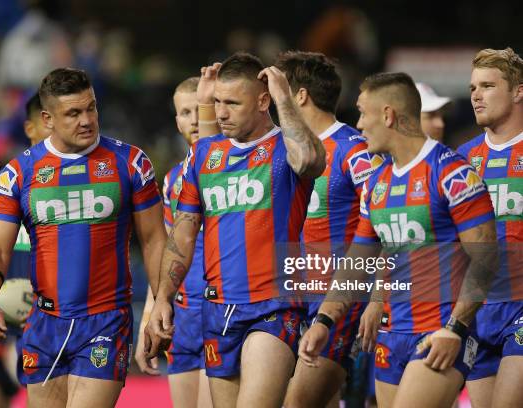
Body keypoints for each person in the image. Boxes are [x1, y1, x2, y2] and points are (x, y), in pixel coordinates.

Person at [299, 72, 497, 408]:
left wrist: (455, 328)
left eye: (363, 113)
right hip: (391, 336)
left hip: (439, 332)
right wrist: (324, 321)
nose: (359, 124)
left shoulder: (453, 173)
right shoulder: (377, 182)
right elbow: (357, 261)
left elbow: (487, 257)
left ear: (388, 115)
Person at [0, 68, 166, 408]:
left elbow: (153, 240)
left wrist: (160, 302)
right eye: (73, 113)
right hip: (43, 322)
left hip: (106, 320)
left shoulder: (130, 162)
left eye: (91, 108)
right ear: (48, 119)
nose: (87, 120)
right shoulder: (20, 173)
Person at [145, 52, 326, 408]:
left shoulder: (285, 150)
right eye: (217, 103)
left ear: (262, 101)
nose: (220, 113)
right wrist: (163, 298)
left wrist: (285, 98)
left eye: (232, 103)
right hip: (217, 309)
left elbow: (310, 160)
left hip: (272, 307)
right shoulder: (204, 155)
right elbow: (183, 233)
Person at [274, 50, 383, 408]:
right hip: (293, 301)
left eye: (279, 91)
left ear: (300, 95)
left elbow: (384, 232)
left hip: (340, 301)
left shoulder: (356, 152)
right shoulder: (283, 152)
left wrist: (377, 299)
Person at [135, 76, 213, 408]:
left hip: (224, 312)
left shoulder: (239, 166)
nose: (193, 119)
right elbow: (168, 251)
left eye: (199, 110)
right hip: (183, 317)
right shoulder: (172, 180)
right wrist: (149, 318)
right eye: (184, 112)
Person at [0, 93, 51, 408]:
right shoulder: (11, 178)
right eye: (48, 122)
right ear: (31, 128)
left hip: (44, 314)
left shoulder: (75, 177)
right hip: (5, 306)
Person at [458, 47, 523, 408]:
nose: (476, 96)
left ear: (518, 91)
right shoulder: (464, 158)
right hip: (477, 312)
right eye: (472, 88)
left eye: (487, 86)